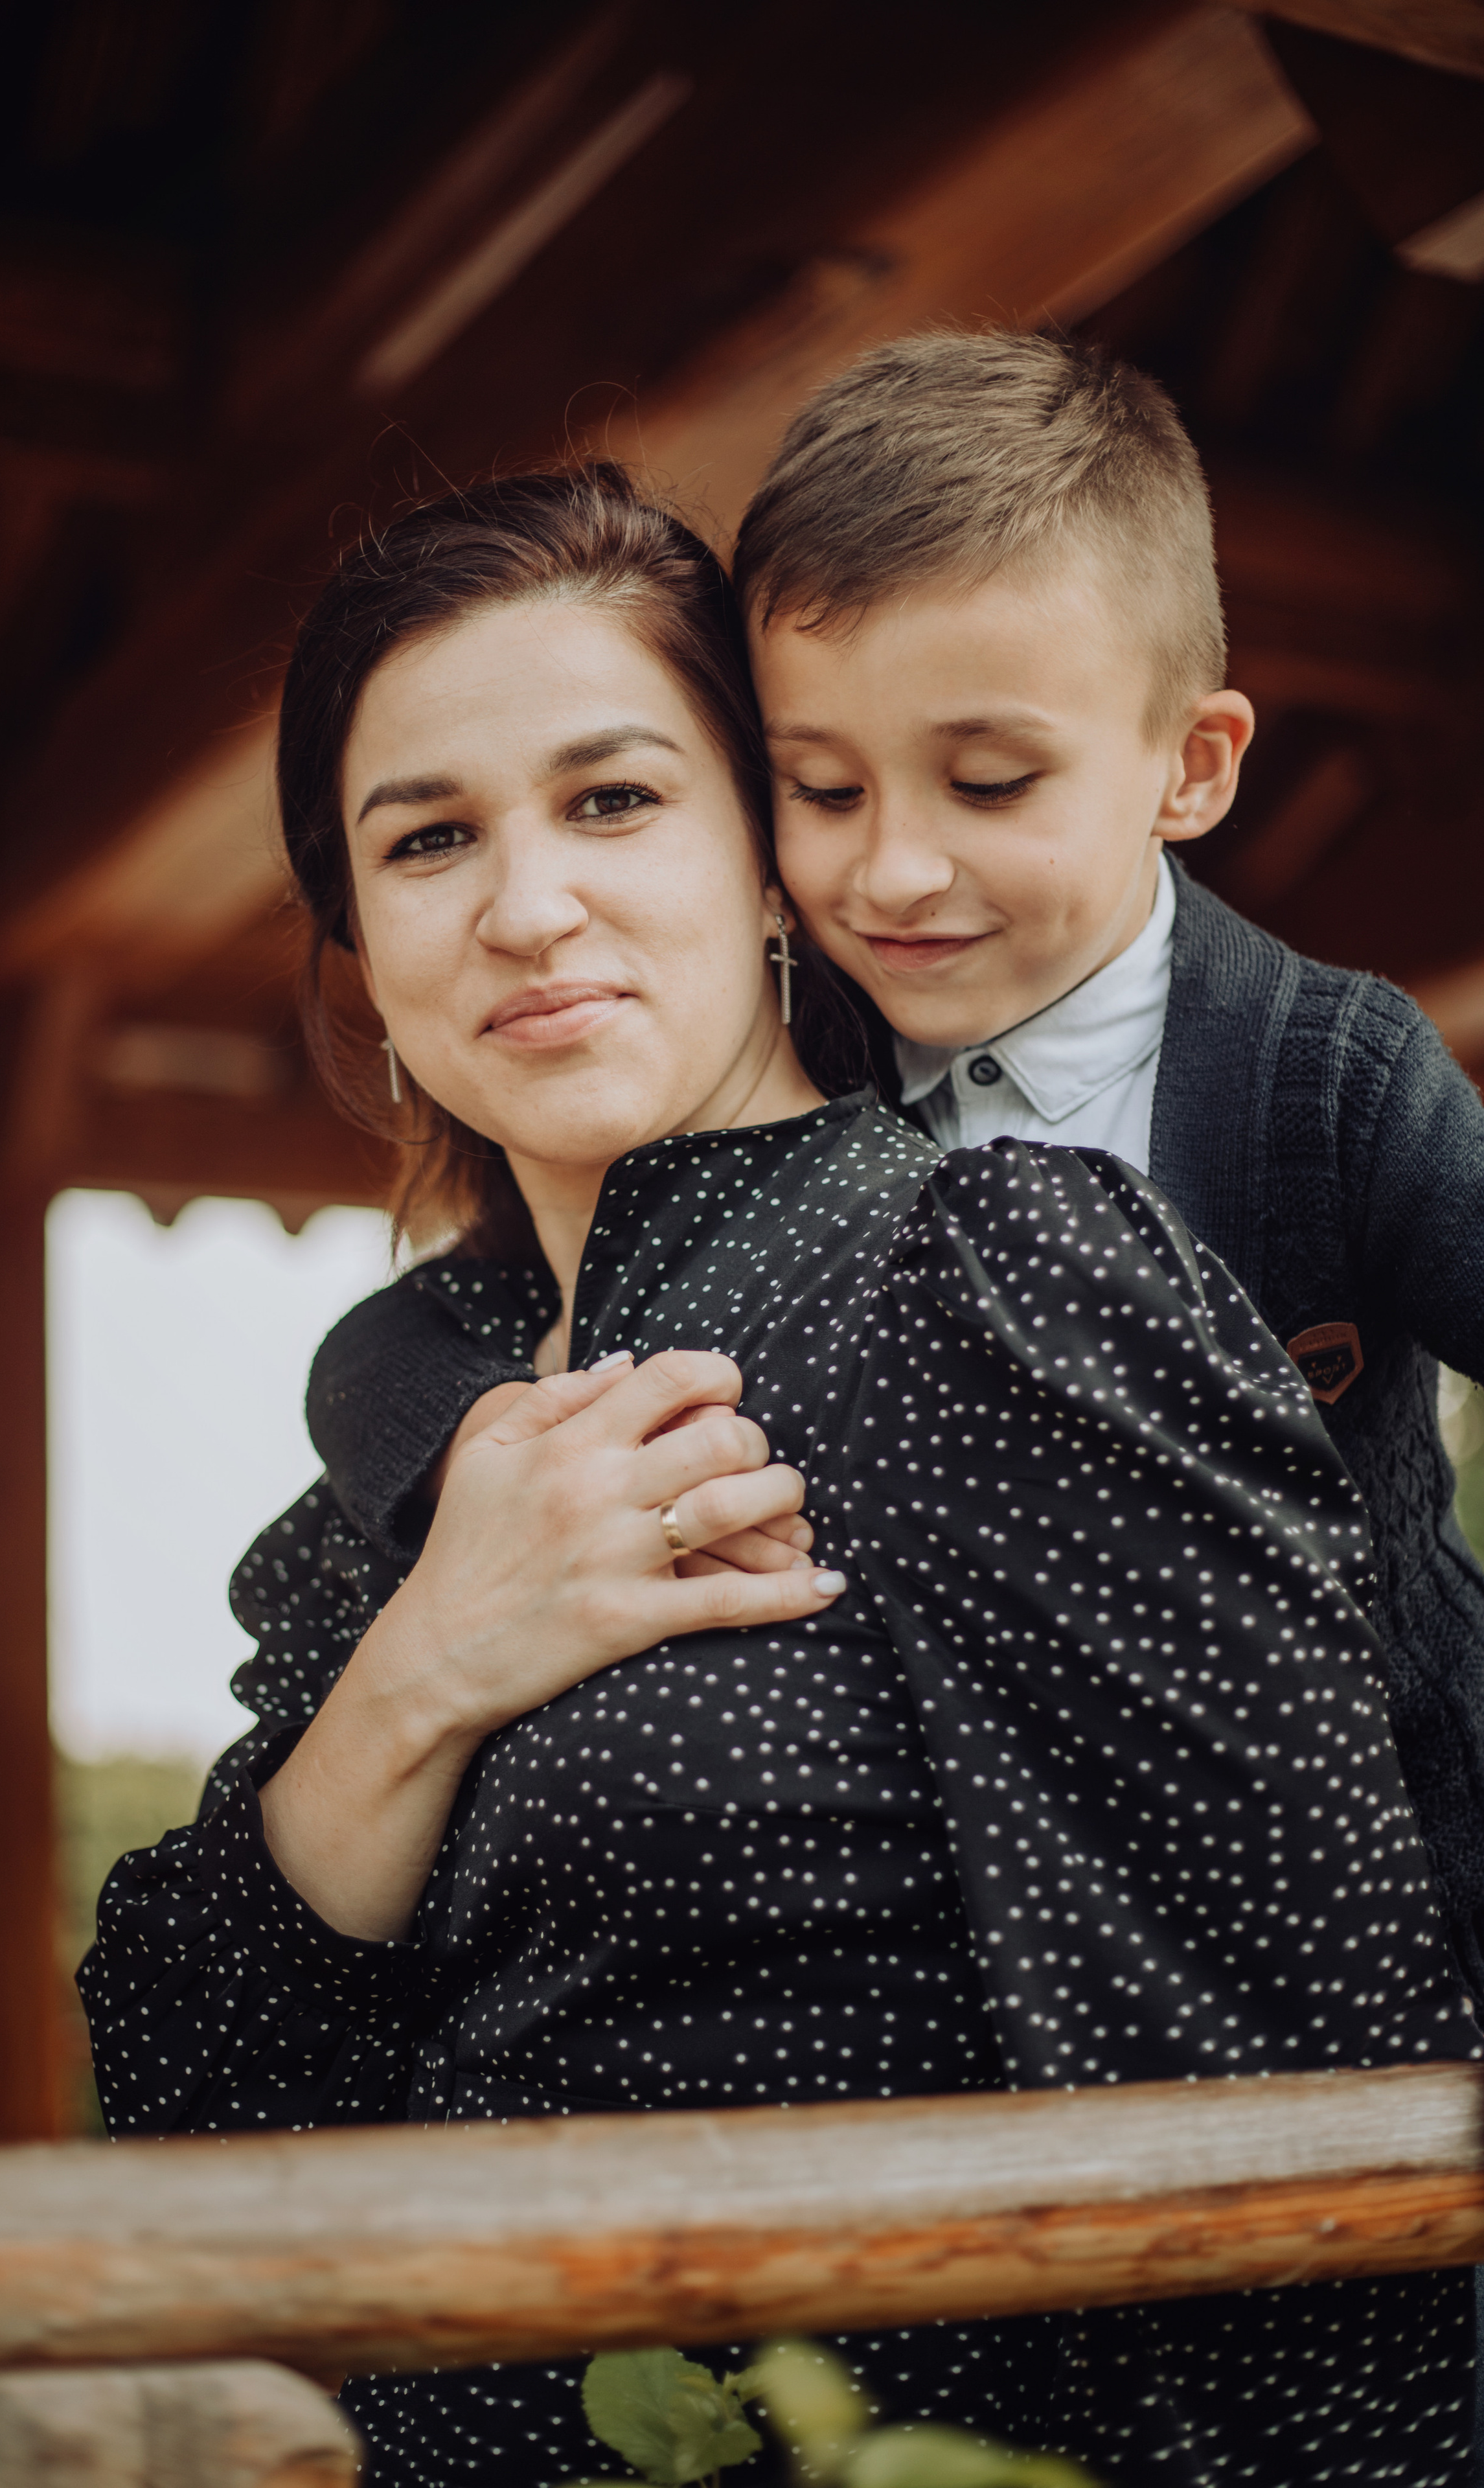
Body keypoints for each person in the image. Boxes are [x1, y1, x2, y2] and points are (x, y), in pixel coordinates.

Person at [79, 465, 1478, 2487]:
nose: (525, 907)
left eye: (613, 799)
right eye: (428, 838)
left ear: (765, 865)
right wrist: (424, 1670)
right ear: (366, 950)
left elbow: (1324, 2156)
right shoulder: (391, 1484)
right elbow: (185, 2102)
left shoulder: (1003, 1289)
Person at [310, 330, 1484, 2009]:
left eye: (988, 783)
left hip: (1412, 1821)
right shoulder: (820, 1067)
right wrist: (469, 1477)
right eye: (822, 789)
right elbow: (425, 1333)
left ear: (1193, 766)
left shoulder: (1321, 1074)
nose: (896, 871)